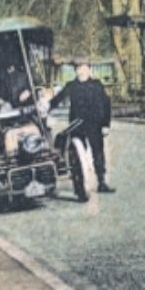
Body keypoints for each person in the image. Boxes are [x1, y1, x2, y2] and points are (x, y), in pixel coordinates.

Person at [49, 59, 114, 200]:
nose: (80, 71)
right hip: (77, 125)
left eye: (83, 68)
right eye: (78, 69)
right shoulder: (71, 86)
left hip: (95, 125)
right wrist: (46, 107)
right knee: (76, 155)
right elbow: (57, 100)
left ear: (89, 70)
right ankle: (79, 186)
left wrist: (106, 125)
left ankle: (101, 182)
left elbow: (106, 105)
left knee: (98, 153)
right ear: (75, 71)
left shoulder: (97, 85)